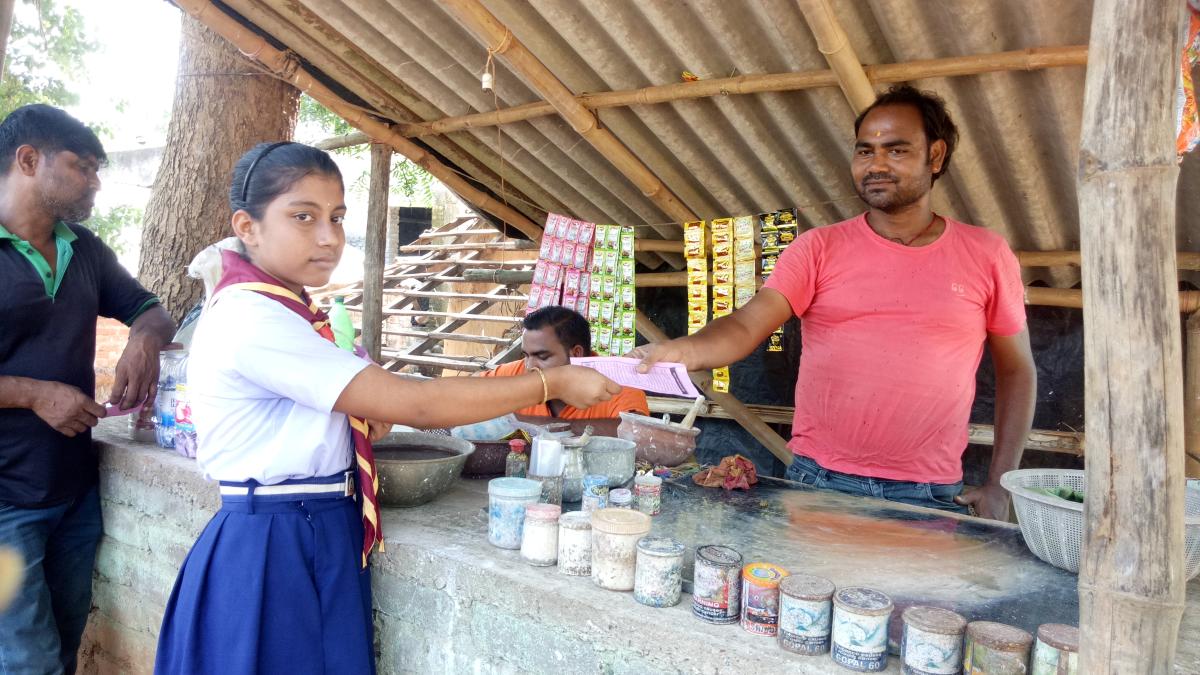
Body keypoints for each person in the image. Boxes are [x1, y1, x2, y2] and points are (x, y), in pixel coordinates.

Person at [154, 142, 619, 674]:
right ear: (249, 225)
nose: (329, 237)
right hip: (277, 540)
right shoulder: (253, 318)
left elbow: (362, 410)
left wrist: (356, 416)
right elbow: (415, 401)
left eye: (336, 217)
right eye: (302, 217)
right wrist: (548, 382)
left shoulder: (290, 311)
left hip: (311, 526)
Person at [633, 85, 1036, 520]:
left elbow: (1017, 369)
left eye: (896, 150)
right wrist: (682, 350)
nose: (876, 164)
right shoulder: (818, 248)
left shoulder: (986, 254)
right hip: (819, 482)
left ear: (935, 156)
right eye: (865, 152)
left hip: (929, 495)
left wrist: (1000, 483)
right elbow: (747, 325)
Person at [0, 104, 175, 673]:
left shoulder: (85, 249)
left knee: (66, 644)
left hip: (73, 492)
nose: (97, 181)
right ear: (29, 160)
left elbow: (150, 310)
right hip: (4, 504)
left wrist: (142, 342)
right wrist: (32, 392)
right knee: (30, 662)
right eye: (83, 166)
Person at [482, 306, 649, 434]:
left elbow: (638, 433)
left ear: (576, 353)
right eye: (525, 355)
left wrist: (528, 424)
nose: (529, 366)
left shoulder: (619, 383)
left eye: (542, 356)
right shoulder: (514, 372)